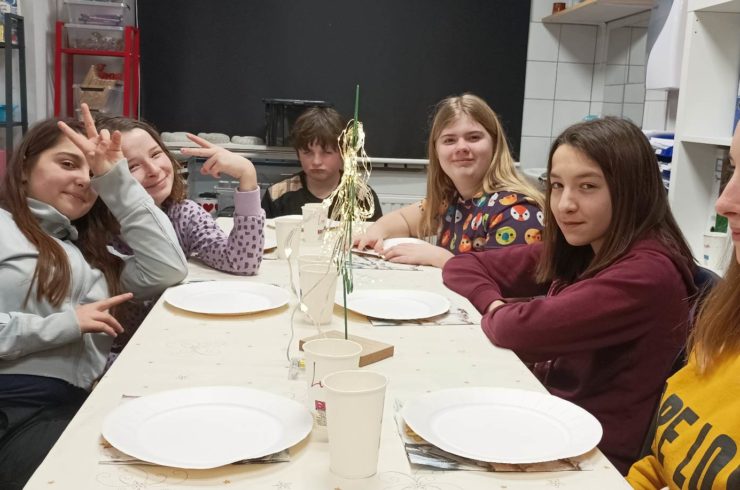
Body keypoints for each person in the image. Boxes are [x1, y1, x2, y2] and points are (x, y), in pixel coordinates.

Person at [442, 117, 697, 474]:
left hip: (593, 460)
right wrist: (495, 304)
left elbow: (517, 332)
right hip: (553, 420)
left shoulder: (646, 273)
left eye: (587, 187)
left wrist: (499, 313)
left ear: (631, 190)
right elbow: (461, 267)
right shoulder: (585, 247)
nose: (564, 205)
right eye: (557, 186)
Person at [0, 112, 188, 489]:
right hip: (15, 407)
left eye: (92, 173)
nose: (84, 180)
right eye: (67, 164)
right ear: (23, 170)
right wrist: (65, 324)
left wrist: (115, 177)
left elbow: (168, 267)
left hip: (72, 409)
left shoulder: (96, 261)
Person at [626, 123, 740, 489]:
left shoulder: (648, 269)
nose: (724, 202)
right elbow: (660, 464)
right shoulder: (724, 322)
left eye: (588, 186)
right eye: (733, 168)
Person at [354, 93, 544, 268]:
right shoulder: (451, 201)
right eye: (449, 140)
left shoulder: (516, 212)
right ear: (436, 151)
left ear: (495, 144)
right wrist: (375, 232)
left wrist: (439, 257)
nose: (461, 147)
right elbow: (403, 219)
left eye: (474, 137)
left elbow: (504, 285)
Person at [95, 114, 265, 275]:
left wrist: (247, 174)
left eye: (155, 154)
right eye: (132, 166)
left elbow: (242, 263)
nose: (154, 170)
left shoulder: (183, 216)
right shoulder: (97, 232)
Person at [261, 106, 383, 220]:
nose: (316, 161)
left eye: (327, 152)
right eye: (308, 152)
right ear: (298, 154)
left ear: (343, 153)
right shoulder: (276, 195)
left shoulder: (362, 197)